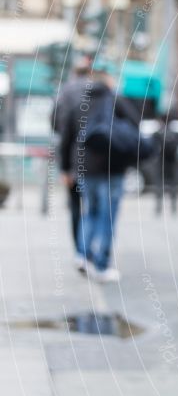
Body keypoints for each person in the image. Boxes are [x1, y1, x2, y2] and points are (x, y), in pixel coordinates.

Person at [59, 65, 142, 283]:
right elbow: (136, 129)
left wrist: (65, 169)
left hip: (85, 168)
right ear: (108, 81)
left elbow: (66, 138)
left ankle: (83, 255)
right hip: (113, 168)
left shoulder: (79, 103)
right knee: (108, 216)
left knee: (90, 212)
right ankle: (102, 265)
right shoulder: (116, 101)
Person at [51, 57, 92, 266]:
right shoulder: (98, 90)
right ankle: (90, 249)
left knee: (75, 206)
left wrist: (64, 167)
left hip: (74, 160)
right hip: (96, 160)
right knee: (95, 207)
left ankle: (79, 250)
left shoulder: (65, 92)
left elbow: (57, 125)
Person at [154, 111, 178, 216]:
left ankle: (163, 209)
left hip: (167, 164)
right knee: (168, 187)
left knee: (165, 187)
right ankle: (168, 209)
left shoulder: (161, 134)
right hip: (167, 164)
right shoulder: (166, 134)